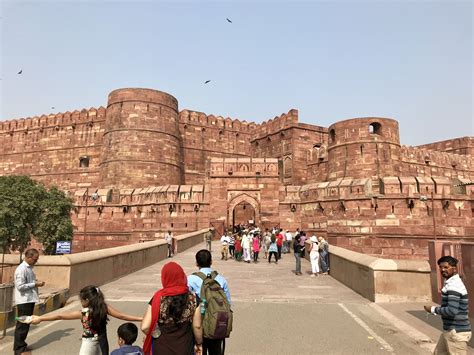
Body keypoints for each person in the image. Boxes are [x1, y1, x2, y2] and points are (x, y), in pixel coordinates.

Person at [31, 285, 142, 355]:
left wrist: (40, 318)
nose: (81, 302)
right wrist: (141, 318)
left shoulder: (84, 313)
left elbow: (60, 316)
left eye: (81, 300)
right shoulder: (104, 308)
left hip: (88, 343)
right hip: (103, 341)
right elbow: (122, 316)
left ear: (87, 300)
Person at [141, 262, 202, 355]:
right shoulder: (193, 298)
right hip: (184, 347)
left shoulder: (158, 298)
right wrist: (199, 343)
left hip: (161, 348)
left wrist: (156, 334)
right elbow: (197, 326)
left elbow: (145, 326)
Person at [424, 256, 471, 355]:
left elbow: (451, 311)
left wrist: (432, 309)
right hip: (449, 331)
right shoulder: (450, 282)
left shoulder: (454, 285)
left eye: (446, 267)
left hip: (456, 333)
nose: (442, 270)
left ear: (454, 269)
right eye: (441, 267)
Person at [188, 250, 231, 355]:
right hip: (216, 323)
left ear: (196, 263)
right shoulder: (221, 279)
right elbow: (228, 303)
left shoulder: (190, 279)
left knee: (199, 350)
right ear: (211, 261)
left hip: (197, 323)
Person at [14, 248, 45, 355]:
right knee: (22, 325)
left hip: (28, 299)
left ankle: (22, 345)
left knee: (26, 324)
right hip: (24, 300)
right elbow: (20, 286)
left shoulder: (29, 268)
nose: (36, 261)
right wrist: (35, 284)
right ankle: (19, 350)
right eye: (35, 259)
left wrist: (35, 282)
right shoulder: (21, 269)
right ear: (28, 257)